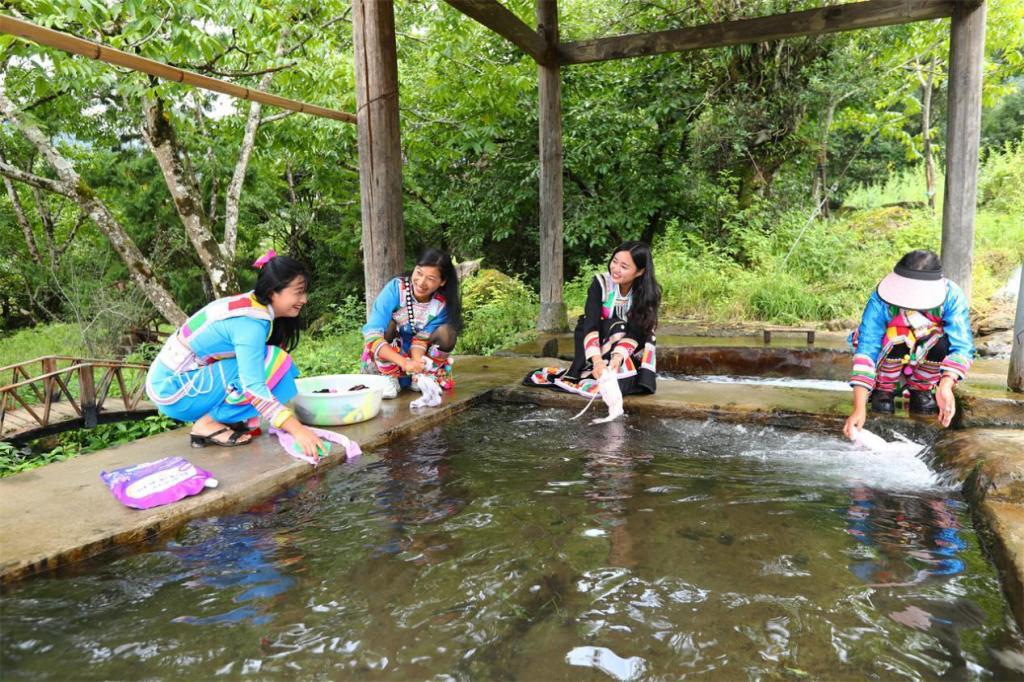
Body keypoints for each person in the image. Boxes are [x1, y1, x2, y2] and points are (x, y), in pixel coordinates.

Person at [145, 252, 324, 457]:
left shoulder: (252, 305)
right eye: (298, 292)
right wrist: (299, 431)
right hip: (172, 390)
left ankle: (221, 419)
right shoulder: (250, 325)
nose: (305, 299)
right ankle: (208, 422)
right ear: (274, 291)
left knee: (268, 360)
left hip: (177, 383)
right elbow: (254, 387)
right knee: (274, 360)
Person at [843, 250, 974, 439]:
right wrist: (859, 407)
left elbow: (962, 346)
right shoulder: (882, 299)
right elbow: (867, 348)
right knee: (898, 336)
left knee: (941, 343)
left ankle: (921, 390)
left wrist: (945, 385)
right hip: (888, 358)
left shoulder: (951, 296)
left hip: (925, 357)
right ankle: (883, 391)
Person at [525, 240, 660, 397]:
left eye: (624, 267)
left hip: (626, 345)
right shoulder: (600, 283)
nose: (615, 269)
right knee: (603, 324)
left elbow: (637, 331)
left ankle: (630, 373)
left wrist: (617, 358)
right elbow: (591, 324)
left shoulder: (648, 293)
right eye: (614, 261)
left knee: (647, 332)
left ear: (639, 272)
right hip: (598, 339)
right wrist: (597, 362)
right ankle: (594, 368)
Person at [360, 248, 462, 397]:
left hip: (420, 355)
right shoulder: (395, 289)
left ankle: (424, 377)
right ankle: (389, 377)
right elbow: (372, 335)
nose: (421, 282)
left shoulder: (441, 304)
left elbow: (421, 339)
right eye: (419, 273)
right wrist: (404, 362)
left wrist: (417, 364)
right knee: (388, 325)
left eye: (431, 279)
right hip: (389, 355)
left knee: (448, 333)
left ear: (442, 282)